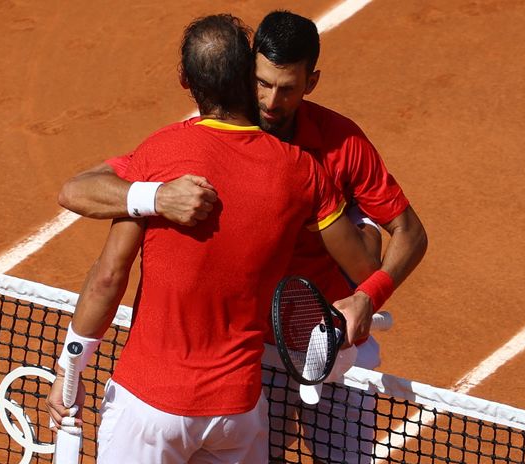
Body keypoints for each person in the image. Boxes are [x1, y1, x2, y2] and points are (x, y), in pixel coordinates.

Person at [59, 10, 427, 462]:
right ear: (243, 73)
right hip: (250, 357)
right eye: (262, 83)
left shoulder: (340, 145)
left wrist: (368, 294)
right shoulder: (194, 148)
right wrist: (157, 196)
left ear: (310, 83)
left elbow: (401, 239)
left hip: (324, 338)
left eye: (288, 88)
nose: (272, 101)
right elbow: (77, 189)